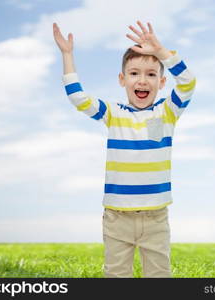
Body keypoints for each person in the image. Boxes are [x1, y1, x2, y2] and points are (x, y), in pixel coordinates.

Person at [53, 20, 196, 278]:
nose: (143, 81)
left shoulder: (168, 112)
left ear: (162, 82)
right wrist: (67, 55)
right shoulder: (113, 113)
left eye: (151, 74)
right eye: (134, 73)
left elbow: (187, 82)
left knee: (159, 276)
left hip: (155, 217)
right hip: (117, 218)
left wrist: (162, 51)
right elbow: (78, 97)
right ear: (122, 79)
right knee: (116, 276)